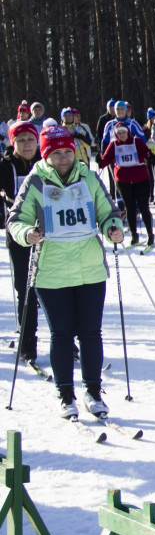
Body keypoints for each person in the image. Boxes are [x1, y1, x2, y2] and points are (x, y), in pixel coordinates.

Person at [6, 123, 124, 417]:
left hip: (89, 268)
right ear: (46, 155)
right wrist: (26, 234)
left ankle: (94, 391)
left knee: (90, 333)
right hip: (51, 270)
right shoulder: (36, 181)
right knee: (61, 334)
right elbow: (15, 219)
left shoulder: (88, 177)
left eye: (67, 152)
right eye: (56, 153)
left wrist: (113, 228)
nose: (63, 158)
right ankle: (65, 394)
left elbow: (107, 211)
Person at [1, 121, 42, 362]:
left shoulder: (46, 163)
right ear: (12, 142)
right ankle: (27, 343)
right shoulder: (5, 166)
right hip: (18, 234)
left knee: (53, 287)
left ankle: (65, 340)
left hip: (49, 232)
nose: (26, 145)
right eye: (21, 140)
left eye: (30, 139)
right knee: (24, 289)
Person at [99, 122, 154, 246]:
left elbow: (147, 154)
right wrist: (99, 161)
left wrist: (151, 156)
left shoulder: (136, 141)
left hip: (141, 179)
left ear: (128, 132)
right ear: (115, 135)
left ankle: (150, 234)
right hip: (123, 180)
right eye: (119, 133)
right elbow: (105, 160)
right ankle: (134, 235)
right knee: (129, 208)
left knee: (144, 207)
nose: (122, 135)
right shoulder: (113, 144)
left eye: (124, 132)